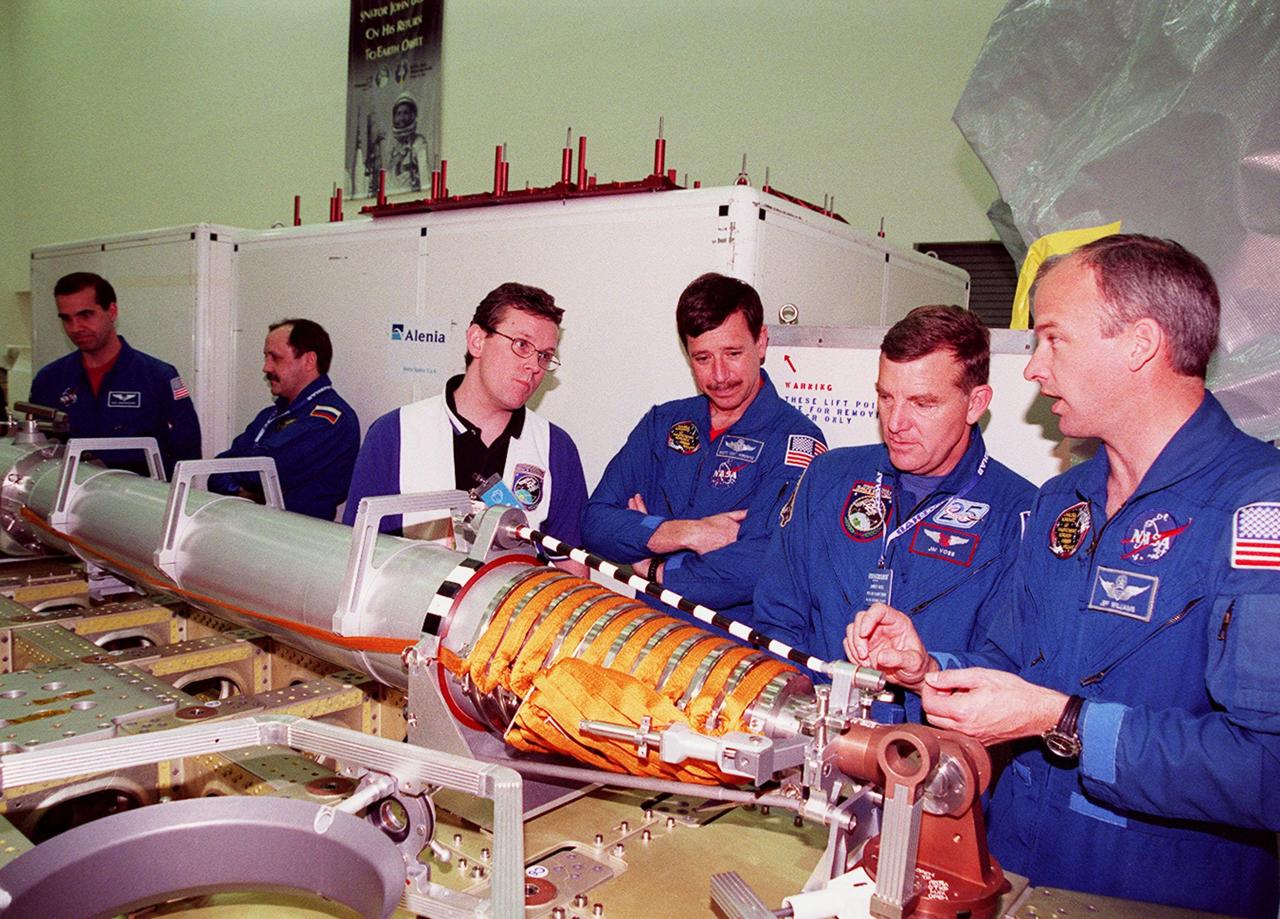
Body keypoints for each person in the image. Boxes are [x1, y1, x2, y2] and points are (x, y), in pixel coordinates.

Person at [846, 235, 1280, 917]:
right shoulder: (1062, 503)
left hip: (1159, 893)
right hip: (1015, 875)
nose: (1035, 370)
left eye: (1053, 339)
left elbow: (1266, 770)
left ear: (1139, 344)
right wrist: (927, 665)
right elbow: (1009, 665)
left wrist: (1064, 719)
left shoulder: (1258, 513)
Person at [753, 307, 1034, 719]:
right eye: (886, 397)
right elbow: (777, 615)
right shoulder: (829, 477)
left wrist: (928, 670)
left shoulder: (1020, 514)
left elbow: (1009, 669)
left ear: (975, 403)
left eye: (922, 403)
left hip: (930, 755)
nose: (896, 422)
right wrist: (799, 715)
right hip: (808, 734)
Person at [581, 273, 826, 625]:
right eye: (703, 358)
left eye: (733, 353)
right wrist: (685, 532)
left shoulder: (795, 441)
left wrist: (653, 566)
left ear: (761, 342)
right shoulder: (662, 424)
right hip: (646, 630)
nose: (720, 375)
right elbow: (595, 523)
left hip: (735, 644)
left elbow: (762, 563)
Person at [344, 282, 587, 564]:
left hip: (508, 605)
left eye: (544, 355)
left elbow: (569, 566)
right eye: (522, 345)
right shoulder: (395, 433)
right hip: (409, 604)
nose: (534, 366)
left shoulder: (554, 447)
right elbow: (356, 551)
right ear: (476, 340)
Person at [30, 272, 202, 477]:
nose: (75, 328)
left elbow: (188, 455)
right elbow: (36, 453)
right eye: (67, 319)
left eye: (85, 315)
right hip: (69, 500)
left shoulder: (159, 377)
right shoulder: (50, 380)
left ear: (111, 311)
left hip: (140, 501)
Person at [209, 319, 359, 521]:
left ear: (308, 361)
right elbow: (216, 472)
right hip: (256, 530)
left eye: (275, 358)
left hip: (298, 539)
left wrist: (242, 481)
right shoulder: (270, 415)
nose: (266, 367)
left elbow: (261, 472)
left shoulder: (329, 419)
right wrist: (242, 491)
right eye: (265, 357)